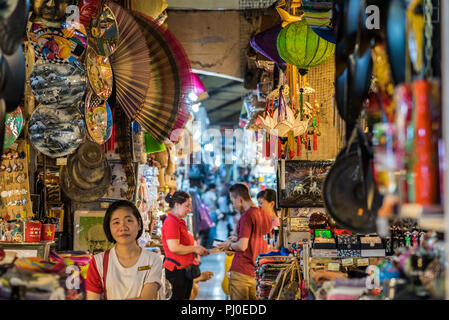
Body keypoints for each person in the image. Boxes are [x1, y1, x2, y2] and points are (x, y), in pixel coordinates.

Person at [86, 200, 162, 300]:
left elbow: (146, 298)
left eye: (129, 220)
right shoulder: (98, 262)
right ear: (109, 227)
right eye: (116, 222)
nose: (123, 227)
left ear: (139, 224)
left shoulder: (153, 260)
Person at [217, 183, 272, 300]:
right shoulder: (264, 214)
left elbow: (242, 246)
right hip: (257, 273)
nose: (233, 205)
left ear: (240, 199)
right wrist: (237, 238)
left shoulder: (246, 216)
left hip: (242, 272)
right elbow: (257, 239)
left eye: (233, 201)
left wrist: (229, 245)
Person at [162, 191, 210, 300]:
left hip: (184, 270)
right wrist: (195, 248)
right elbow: (174, 247)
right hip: (176, 272)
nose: (190, 209)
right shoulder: (171, 222)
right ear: (177, 205)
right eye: (187, 206)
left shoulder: (178, 221)